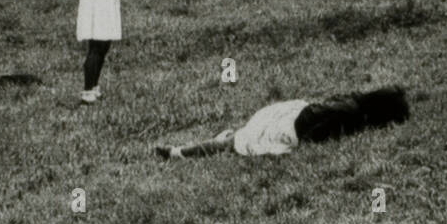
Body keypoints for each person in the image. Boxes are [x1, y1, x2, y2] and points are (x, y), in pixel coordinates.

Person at [154, 86, 410, 159]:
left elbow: (318, 120)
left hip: (293, 120)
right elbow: (317, 127)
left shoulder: (353, 108)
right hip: (292, 122)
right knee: (234, 140)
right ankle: (180, 151)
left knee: (233, 140)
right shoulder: (353, 114)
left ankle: (179, 151)